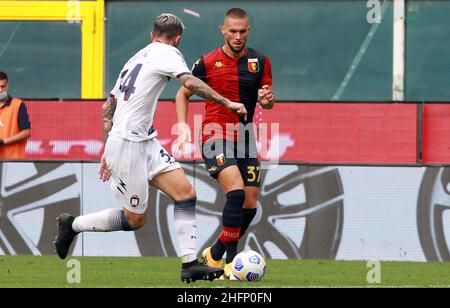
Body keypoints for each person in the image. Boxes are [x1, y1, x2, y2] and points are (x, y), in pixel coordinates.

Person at [54, 13, 247, 284]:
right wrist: (227, 102)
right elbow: (190, 83)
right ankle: (72, 225)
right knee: (135, 219)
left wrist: (107, 147)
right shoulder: (168, 52)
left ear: (151, 34)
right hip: (128, 145)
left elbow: (108, 107)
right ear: (177, 39)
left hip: (142, 141)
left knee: (186, 193)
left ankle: (189, 265)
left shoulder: (135, 58)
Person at [175, 8, 275, 279]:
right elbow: (182, 94)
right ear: (223, 30)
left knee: (251, 206)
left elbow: (268, 100)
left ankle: (215, 253)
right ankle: (231, 263)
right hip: (214, 135)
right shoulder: (207, 62)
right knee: (237, 192)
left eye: (243, 31)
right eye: (233, 31)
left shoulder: (260, 61)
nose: (238, 36)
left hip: (245, 137)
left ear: (248, 30)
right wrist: (183, 125)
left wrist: (267, 99)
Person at [0, 71, 31, 159]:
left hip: (13, 161)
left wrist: (3, 141)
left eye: (3, 86)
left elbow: (26, 132)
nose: (0, 90)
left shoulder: (18, 105)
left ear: (7, 86)